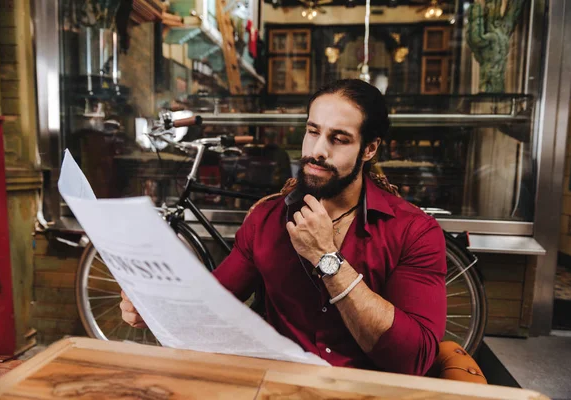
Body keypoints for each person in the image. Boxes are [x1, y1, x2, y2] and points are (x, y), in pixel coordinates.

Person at [120, 79, 447, 376]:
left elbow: (413, 358)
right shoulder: (267, 219)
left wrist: (326, 257)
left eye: (339, 139)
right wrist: (155, 306)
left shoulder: (414, 231)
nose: (318, 150)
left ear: (370, 148)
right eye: (313, 131)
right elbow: (212, 306)